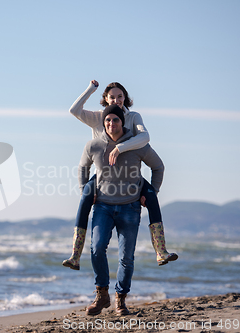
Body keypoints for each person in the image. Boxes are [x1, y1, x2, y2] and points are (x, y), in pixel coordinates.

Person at [63, 80, 177, 269]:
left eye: (120, 96)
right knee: (84, 197)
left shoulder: (133, 117)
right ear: (106, 100)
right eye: (112, 97)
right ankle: (75, 255)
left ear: (125, 98)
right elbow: (74, 110)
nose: (116, 100)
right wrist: (90, 90)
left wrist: (120, 148)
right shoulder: (99, 117)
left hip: (129, 173)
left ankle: (160, 251)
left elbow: (145, 137)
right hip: (104, 174)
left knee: (152, 197)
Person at [81, 105, 165, 316]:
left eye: (115, 120)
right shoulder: (94, 145)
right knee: (97, 248)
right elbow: (83, 167)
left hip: (130, 208)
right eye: (107, 120)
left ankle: (120, 299)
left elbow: (158, 166)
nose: (111, 124)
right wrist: (86, 191)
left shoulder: (137, 145)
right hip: (103, 207)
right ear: (103, 123)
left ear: (122, 122)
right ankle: (102, 294)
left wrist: (152, 192)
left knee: (126, 258)